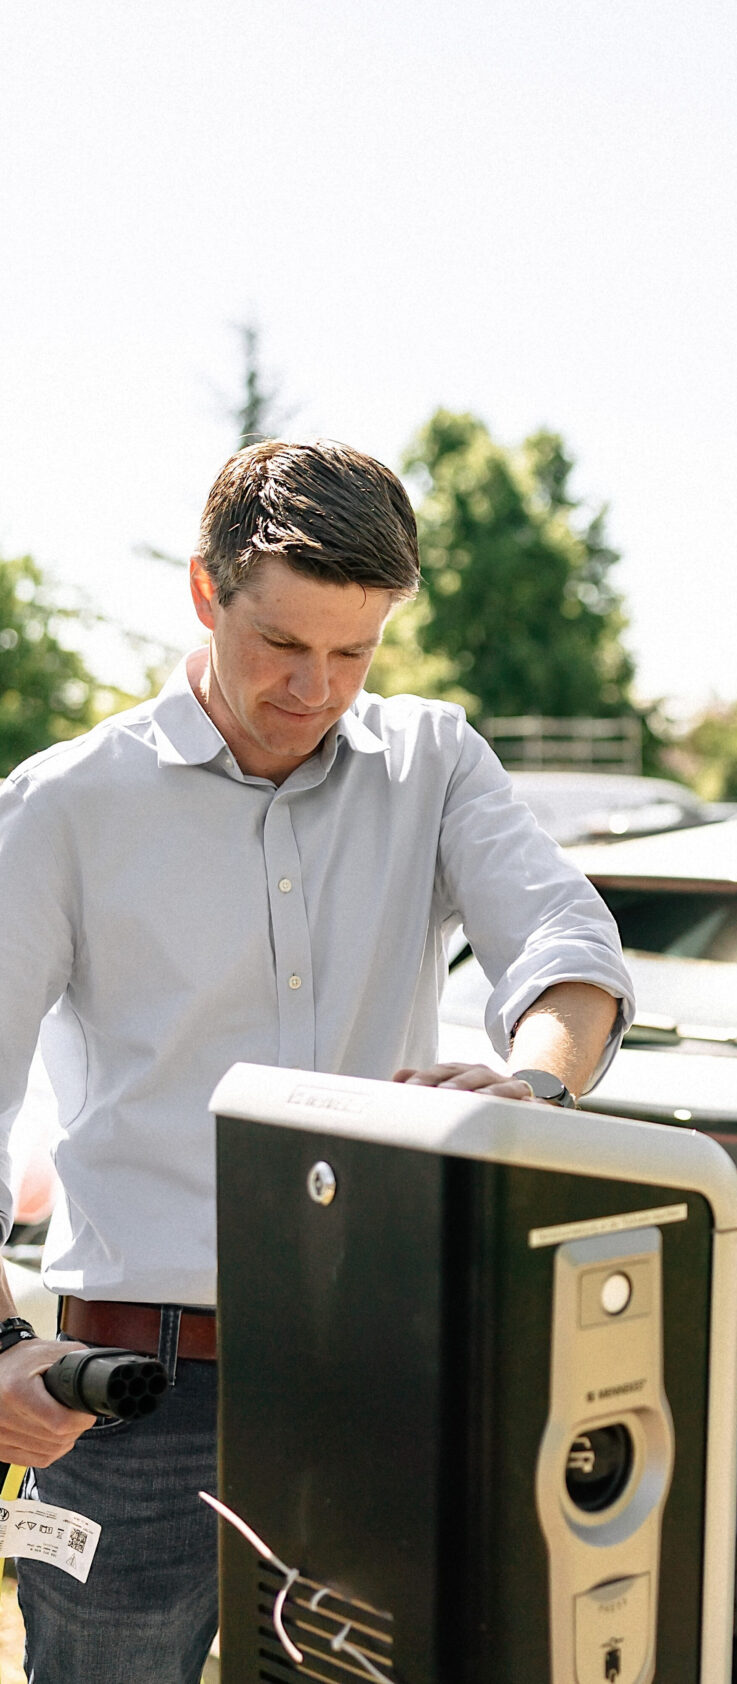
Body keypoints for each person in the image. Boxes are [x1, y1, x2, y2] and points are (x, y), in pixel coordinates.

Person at [0, 439, 634, 1682]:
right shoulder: (62, 807)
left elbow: (569, 948)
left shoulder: (435, 762)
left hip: (380, 1376)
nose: (317, 687)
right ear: (205, 592)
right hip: (132, 1397)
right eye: (283, 645)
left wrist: (536, 1085)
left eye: (355, 651)